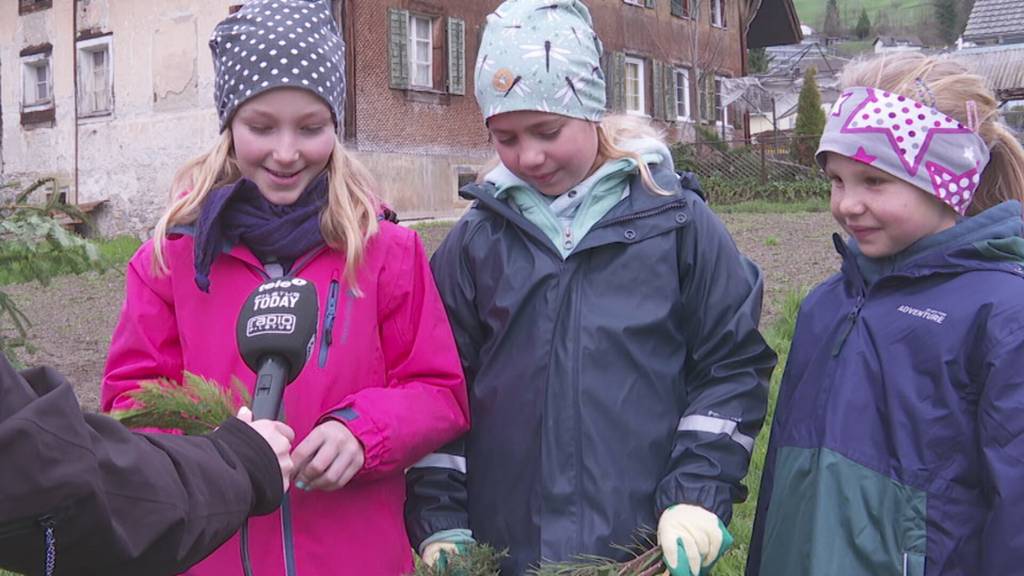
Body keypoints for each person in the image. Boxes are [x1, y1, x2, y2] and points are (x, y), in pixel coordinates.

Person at [404, 1, 776, 574]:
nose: (528, 156)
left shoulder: (678, 225)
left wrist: (696, 494)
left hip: (641, 547)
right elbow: (436, 385)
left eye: (547, 131)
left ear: (591, 110)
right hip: (507, 551)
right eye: (504, 137)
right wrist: (441, 518)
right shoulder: (476, 242)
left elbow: (730, 367)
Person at [100, 1, 469, 574]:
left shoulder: (386, 252)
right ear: (228, 124)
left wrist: (362, 433)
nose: (287, 152)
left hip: (356, 556)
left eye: (311, 127)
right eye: (262, 127)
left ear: (336, 127)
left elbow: (438, 391)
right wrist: (215, 455)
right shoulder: (169, 261)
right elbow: (130, 402)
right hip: (212, 554)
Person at [746, 53, 1024, 576]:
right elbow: (782, 478)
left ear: (948, 181)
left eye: (874, 182)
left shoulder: (1003, 316)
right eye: (837, 180)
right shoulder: (824, 304)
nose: (847, 205)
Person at [0, 354, 295, 576]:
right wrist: (232, 459)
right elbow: (50, 475)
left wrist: (343, 421)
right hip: (199, 540)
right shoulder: (166, 272)